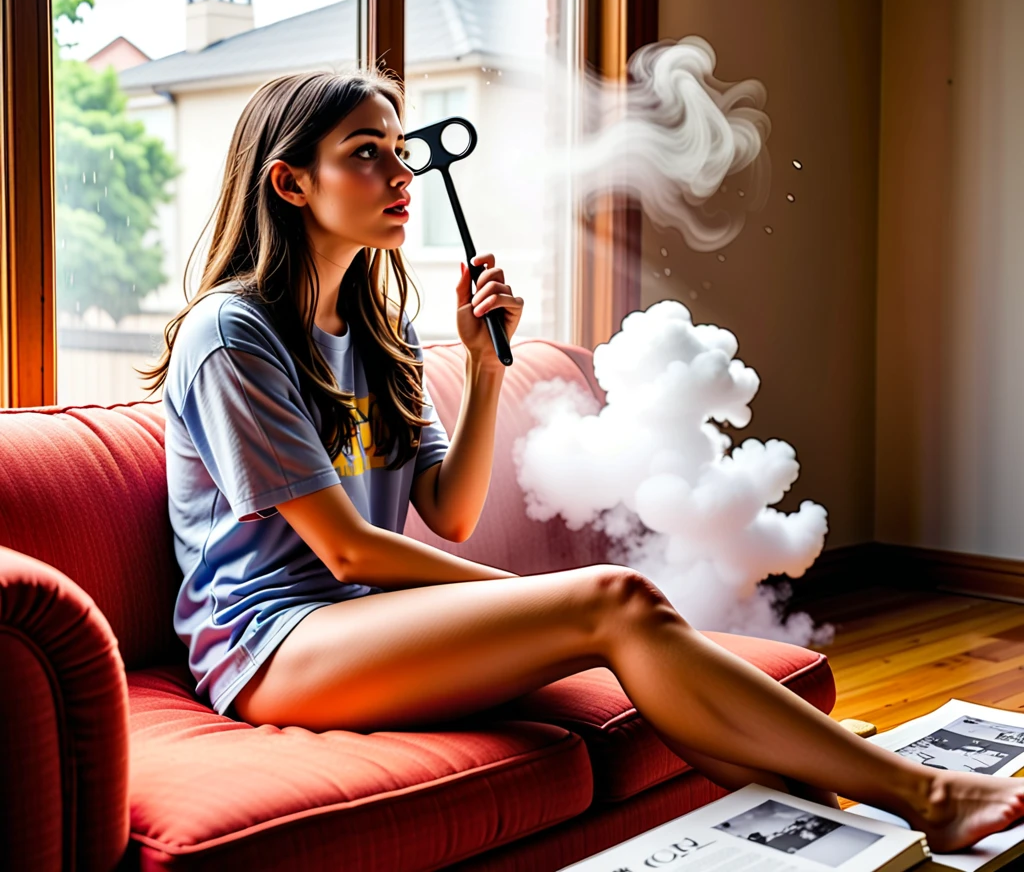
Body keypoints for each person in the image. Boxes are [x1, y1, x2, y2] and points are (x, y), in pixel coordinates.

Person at [142, 69, 1024, 855]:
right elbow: (347, 552)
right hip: (270, 644)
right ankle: (928, 792)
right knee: (617, 601)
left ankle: (850, 841)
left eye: (400, 149)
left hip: (359, 621)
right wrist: (506, 592)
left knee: (631, 634)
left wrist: (486, 371)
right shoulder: (235, 335)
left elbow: (447, 509)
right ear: (290, 181)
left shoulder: (379, 330)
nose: (401, 173)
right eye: (366, 153)